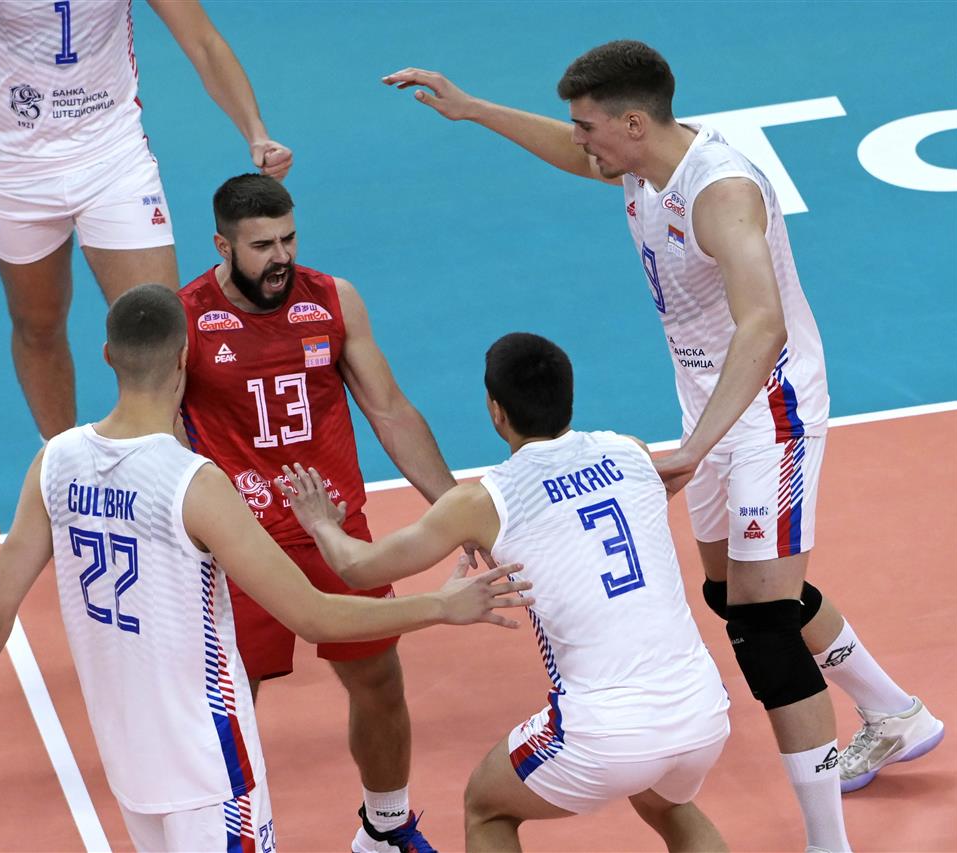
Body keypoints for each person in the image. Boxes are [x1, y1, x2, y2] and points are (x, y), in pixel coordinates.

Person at [384, 41, 943, 849]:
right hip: (711, 405)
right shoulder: (643, 167)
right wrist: (473, 109)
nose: (580, 140)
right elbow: (577, 156)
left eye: (588, 126)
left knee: (764, 621)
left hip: (770, 410)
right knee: (731, 594)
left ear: (634, 124)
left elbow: (765, 325)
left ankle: (829, 840)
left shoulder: (720, 193)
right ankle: (893, 710)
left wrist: (694, 448)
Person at [0, 284, 530, 852]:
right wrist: (441, 606)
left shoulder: (55, 462)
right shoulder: (194, 484)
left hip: (131, 765)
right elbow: (314, 616)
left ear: (107, 356)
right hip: (209, 771)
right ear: (185, 359)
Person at [277, 332, 731, 853]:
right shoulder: (630, 451)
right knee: (666, 801)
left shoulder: (483, 501)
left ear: (496, 411)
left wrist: (320, 522)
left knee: (487, 805)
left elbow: (357, 569)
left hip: (604, 730)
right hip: (703, 711)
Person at [179, 174, 467, 852]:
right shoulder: (186, 317)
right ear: (222, 245)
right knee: (232, 706)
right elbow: (163, 434)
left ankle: (385, 828)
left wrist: (457, 509)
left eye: (288, 239)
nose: (280, 257)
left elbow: (389, 410)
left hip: (334, 531)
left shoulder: (333, 300)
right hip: (238, 542)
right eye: (261, 246)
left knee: (379, 680)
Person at [0, 0, 293, 439]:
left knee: (160, 328)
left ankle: (165, 462)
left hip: (113, 156)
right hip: (14, 168)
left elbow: (203, 42)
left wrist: (256, 131)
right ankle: (60, 457)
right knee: (38, 324)